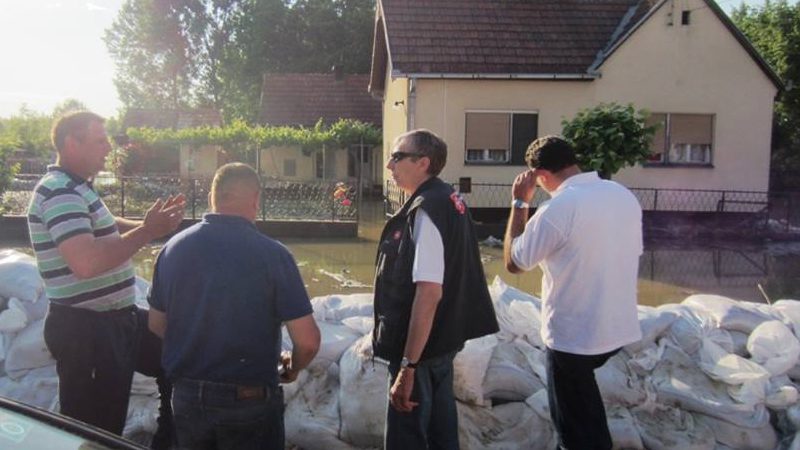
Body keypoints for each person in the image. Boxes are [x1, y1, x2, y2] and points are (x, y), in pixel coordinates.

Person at [26, 111, 185, 435]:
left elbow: (109, 227)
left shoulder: (78, 188)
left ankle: (169, 437)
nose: (109, 147)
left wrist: (153, 227)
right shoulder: (59, 191)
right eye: (100, 140)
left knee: (176, 353)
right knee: (95, 428)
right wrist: (146, 232)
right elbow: (87, 264)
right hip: (86, 330)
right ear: (72, 143)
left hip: (118, 319)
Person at [147, 162, 321, 450]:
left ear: (213, 198)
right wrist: (294, 368)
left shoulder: (173, 249)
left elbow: (156, 323)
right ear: (255, 200)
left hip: (186, 396)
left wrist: (197, 344)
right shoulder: (273, 255)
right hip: (248, 402)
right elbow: (309, 341)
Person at [503, 135, 643, 450]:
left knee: (576, 429)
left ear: (540, 176)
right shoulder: (621, 194)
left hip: (574, 336)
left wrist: (520, 202)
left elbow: (514, 262)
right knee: (586, 410)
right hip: (617, 326)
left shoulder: (560, 207)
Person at [373, 129, 499, 450]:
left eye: (397, 156)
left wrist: (407, 366)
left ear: (423, 162)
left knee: (409, 436)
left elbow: (429, 293)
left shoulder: (427, 209)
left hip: (421, 352)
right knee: (441, 435)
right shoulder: (450, 201)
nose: (389, 165)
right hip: (442, 342)